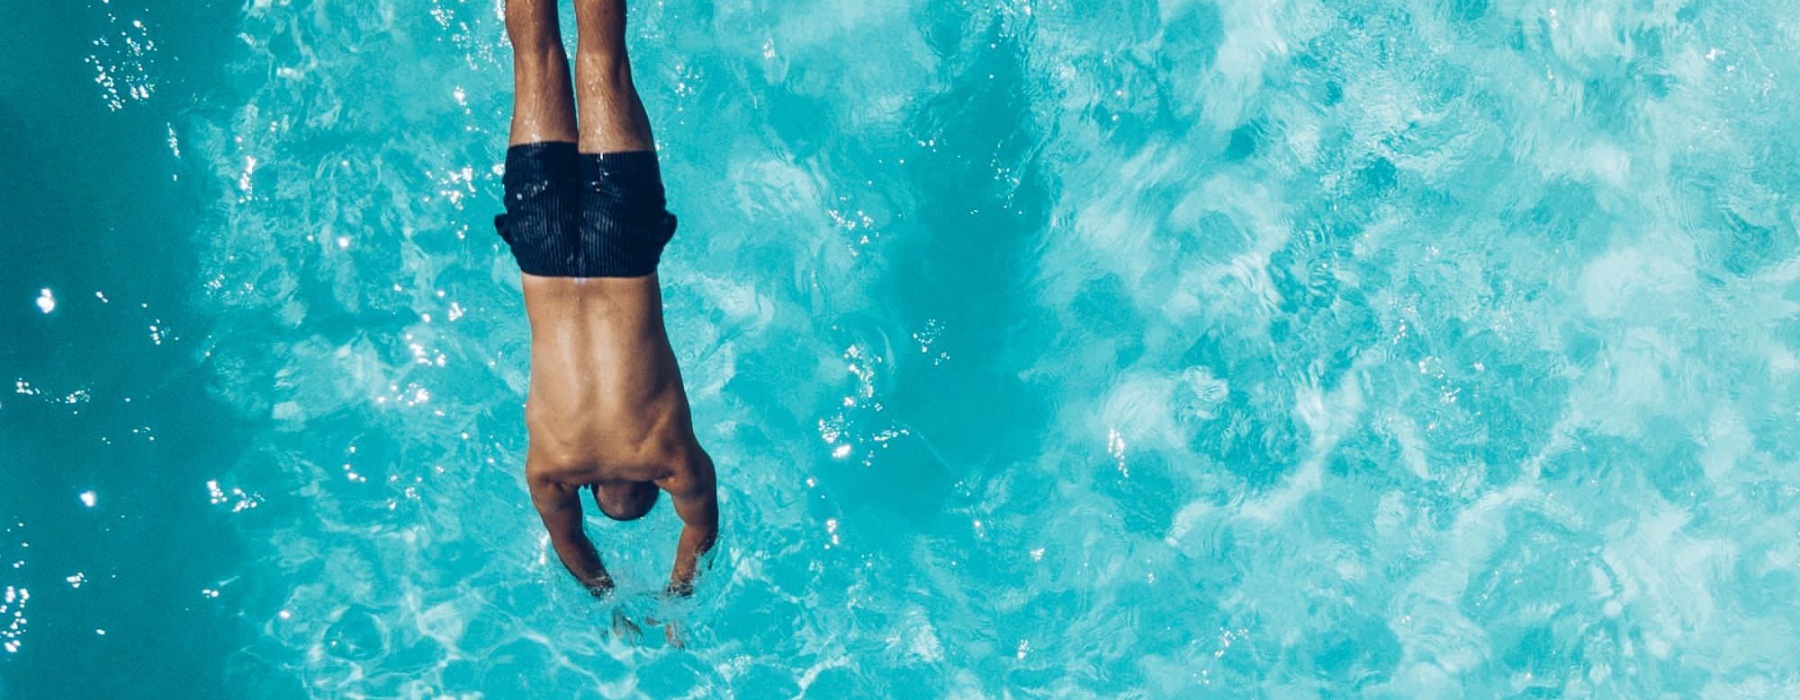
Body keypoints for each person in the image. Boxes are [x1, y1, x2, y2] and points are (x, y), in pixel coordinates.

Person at [496, 0, 718, 607]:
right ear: (593, 489)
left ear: (656, 486)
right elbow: (565, 538)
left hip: (623, 250)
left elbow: (700, 527)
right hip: (541, 251)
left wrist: (680, 595)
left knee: (604, 57)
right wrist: (607, 597)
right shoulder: (552, 469)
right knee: (533, 56)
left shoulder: (672, 458)